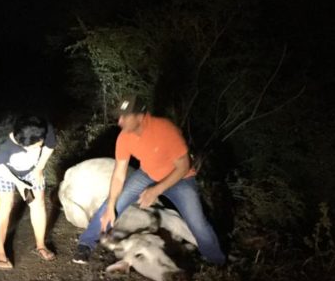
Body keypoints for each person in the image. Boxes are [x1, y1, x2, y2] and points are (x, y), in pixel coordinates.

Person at [72, 95, 226, 266]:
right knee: (111, 205)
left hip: (180, 179)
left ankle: (217, 261)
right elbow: (118, 174)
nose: (120, 121)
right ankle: (86, 244)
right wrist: (111, 206)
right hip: (148, 174)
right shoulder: (124, 137)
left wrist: (155, 191)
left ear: (140, 116)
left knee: (198, 224)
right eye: (119, 116)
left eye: (125, 116)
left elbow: (183, 166)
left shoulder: (165, 130)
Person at [0, 115, 57, 270]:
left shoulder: (44, 127)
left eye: (38, 145)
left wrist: (39, 168)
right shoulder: (0, 146)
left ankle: (40, 245)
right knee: (4, 205)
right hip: (3, 170)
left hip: (32, 169)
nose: (37, 148)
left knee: (37, 203)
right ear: (18, 141)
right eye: (32, 147)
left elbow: (50, 146)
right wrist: (19, 184)